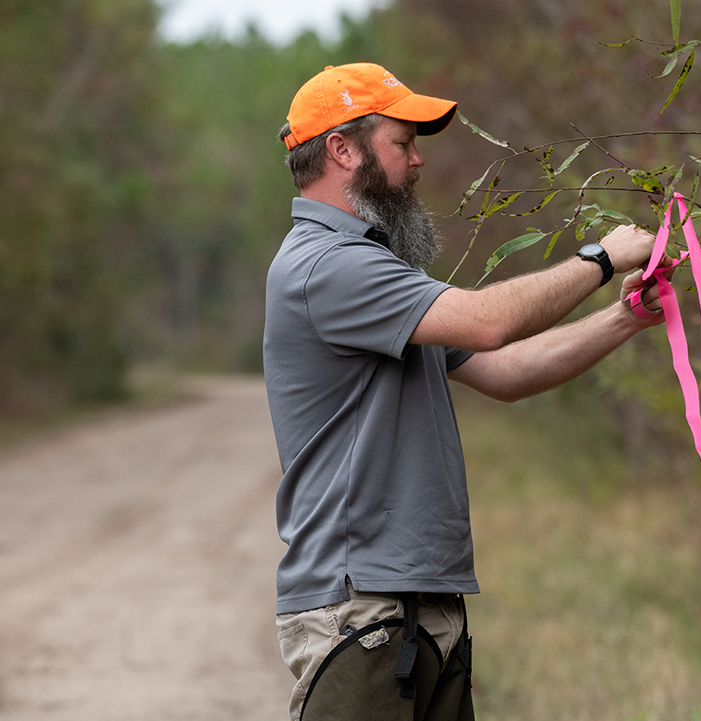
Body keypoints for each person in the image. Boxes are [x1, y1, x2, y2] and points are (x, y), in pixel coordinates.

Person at [263, 62, 669, 721]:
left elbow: (503, 368)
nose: (418, 160)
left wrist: (627, 316)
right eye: (402, 142)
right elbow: (489, 322)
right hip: (362, 607)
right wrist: (601, 259)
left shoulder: (374, 269)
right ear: (342, 148)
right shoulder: (326, 265)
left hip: (416, 606)